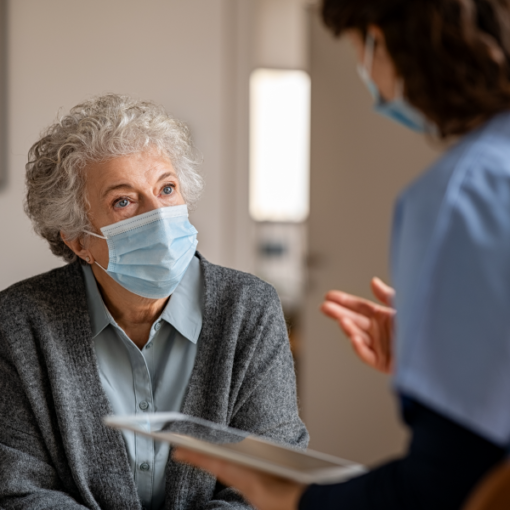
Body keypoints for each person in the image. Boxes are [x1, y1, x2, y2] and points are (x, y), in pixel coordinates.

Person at [173, 0, 510, 508]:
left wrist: (291, 498)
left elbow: (445, 485)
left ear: (383, 42)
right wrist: (453, 352)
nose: (364, 73)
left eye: (358, 51)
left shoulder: (464, 191)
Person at [0, 94, 308, 510]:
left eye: (167, 188)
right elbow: (18, 490)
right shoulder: (19, 322)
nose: (159, 216)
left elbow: (271, 480)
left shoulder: (248, 310)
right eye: (123, 201)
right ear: (78, 241)